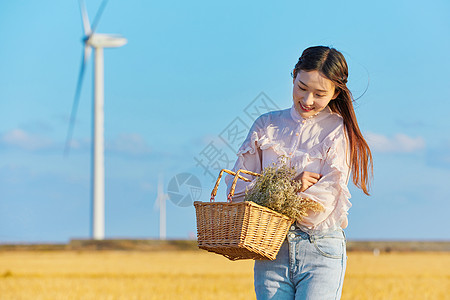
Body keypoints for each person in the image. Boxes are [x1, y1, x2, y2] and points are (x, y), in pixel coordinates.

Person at [225, 46, 373, 300]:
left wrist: (268, 195)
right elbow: (236, 190)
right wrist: (291, 185)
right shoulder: (266, 125)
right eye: (302, 88)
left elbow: (322, 204)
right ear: (293, 75)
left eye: (319, 94)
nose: (307, 100)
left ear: (336, 92)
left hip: (320, 250)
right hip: (271, 249)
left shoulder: (337, 131)